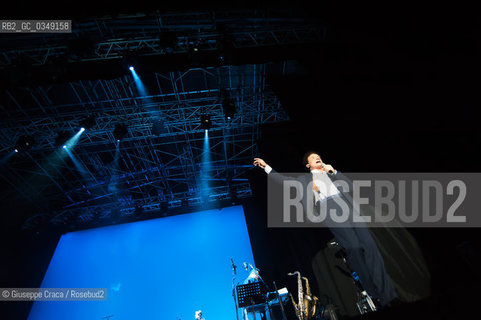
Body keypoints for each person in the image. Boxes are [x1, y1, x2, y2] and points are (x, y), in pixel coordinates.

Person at [253, 152, 399, 308]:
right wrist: (266, 167)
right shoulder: (305, 180)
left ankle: (388, 295)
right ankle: (374, 292)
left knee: (370, 247)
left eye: (319, 156)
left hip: (350, 209)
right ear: (308, 165)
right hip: (330, 210)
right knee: (354, 248)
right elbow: (284, 181)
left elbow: (350, 187)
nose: (318, 157)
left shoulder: (332, 173)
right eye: (313, 157)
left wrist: (334, 171)